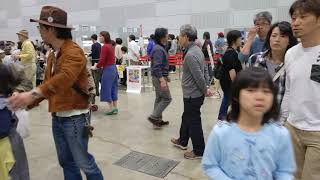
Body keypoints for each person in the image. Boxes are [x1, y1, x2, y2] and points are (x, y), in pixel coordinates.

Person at [8, 6, 104, 180]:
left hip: (75, 117)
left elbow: (65, 78)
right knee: (66, 162)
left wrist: (32, 94)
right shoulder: (53, 54)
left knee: (84, 162)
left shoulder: (73, 52)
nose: (39, 31)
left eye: (40, 28)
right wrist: (26, 101)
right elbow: (48, 85)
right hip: (58, 116)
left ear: (50, 29)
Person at [202, 67, 296, 179]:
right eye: (251, 90)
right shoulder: (221, 132)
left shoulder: (280, 134)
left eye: (266, 91)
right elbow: (210, 165)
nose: (260, 97)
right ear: (236, 96)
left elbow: (284, 171)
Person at [281, 0, 320, 179]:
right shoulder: (290, 53)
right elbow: (289, 90)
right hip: (292, 127)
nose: (295, 22)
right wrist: (284, 121)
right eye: (294, 17)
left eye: (303, 17)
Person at [171, 24, 212, 159]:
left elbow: (198, 75)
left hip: (192, 95)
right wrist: (206, 85)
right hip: (194, 93)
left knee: (194, 121)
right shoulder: (197, 50)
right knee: (186, 116)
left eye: (180, 36)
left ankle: (199, 151)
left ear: (186, 37)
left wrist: (205, 89)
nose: (178, 38)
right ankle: (182, 141)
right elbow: (205, 69)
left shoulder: (190, 54)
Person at [248, 21, 298, 107]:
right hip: (257, 113)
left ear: (290, 40)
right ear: (269, 38)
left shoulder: (294, 64)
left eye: (283, 36)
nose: (277, 39)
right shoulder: (255, 59)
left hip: (281, 116)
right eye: (274, 35)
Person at [0, 63, 31, 180]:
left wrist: (17, 91)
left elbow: (26, 82)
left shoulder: (8, 68)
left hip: (7, 125)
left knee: (16, 167)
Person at [148, 28, 172, 129]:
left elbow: (161, 65)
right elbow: (156, 67)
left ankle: (157, 121)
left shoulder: (160, 47)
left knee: (159, 98)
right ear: (162, 37)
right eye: (167, 35)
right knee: (167, 98)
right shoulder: (158, 49)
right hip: (158, 78)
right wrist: (162, 79)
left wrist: (166, 76)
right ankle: (154, 117)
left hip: (160, 76)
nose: (168, 37)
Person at [217, 30, 243, 120]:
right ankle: (221, 118)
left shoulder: (233, 51)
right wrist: (237, 85)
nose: (241, 40)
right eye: (240, 38)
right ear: (234, 40)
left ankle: (222, 118)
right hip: (228, 82)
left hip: (227, 82)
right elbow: (232, 73)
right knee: (227, 99)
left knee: (227, 99)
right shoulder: (230, 53)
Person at [95, 31, 118, 115]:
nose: (99, 37)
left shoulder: (104, 47)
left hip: (108, 70)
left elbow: (102, 60)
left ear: (105, 37)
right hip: (113, 69)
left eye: (101, 36)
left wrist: (96, 66)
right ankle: (115, 108)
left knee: (106, 88)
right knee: (113, 88)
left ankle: (111, 108)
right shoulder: (110, 46)